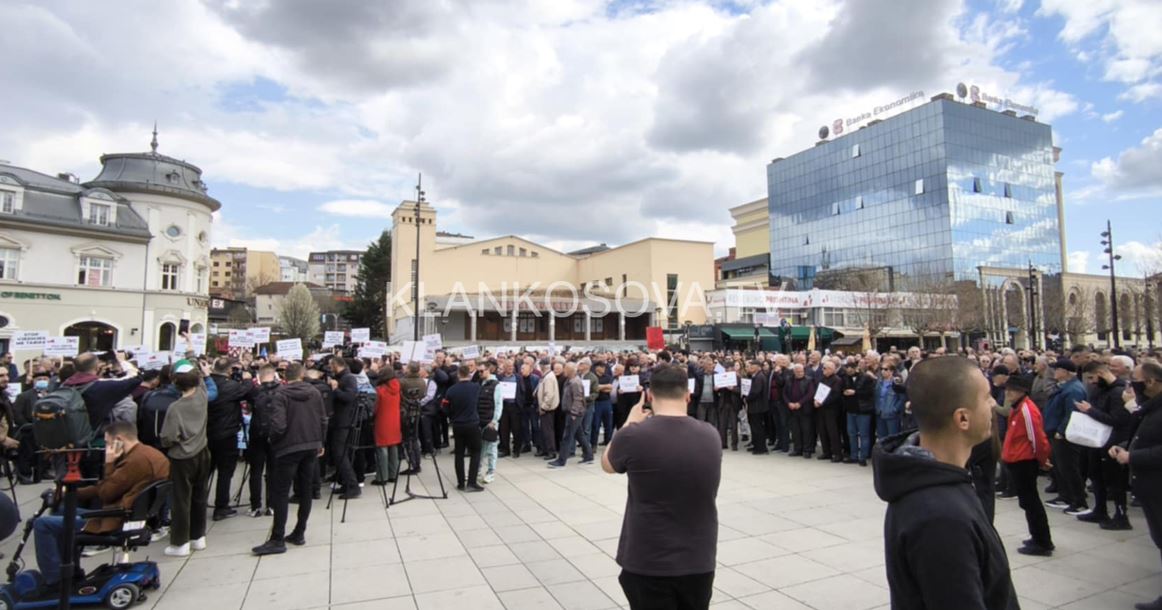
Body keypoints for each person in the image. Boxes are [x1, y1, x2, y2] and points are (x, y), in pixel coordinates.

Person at [872, 356, 1017, 610]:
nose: (994, 403)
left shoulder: (938, 480)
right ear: (962, 418)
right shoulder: (940, 517)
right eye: (986, 397)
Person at [603, 364, 721, 610]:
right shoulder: (711, 434)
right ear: (688, 395)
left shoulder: (633, 435)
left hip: (648, 557)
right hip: (698, 558)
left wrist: (629, 423)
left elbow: (608, 464)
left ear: (650, 395)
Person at [33, 421, 169, 591]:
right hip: (126, 515)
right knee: (62, 510)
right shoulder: (150, 454)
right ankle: (72, 570)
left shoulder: (135, 461)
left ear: (118, 440)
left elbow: (106, 493)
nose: (106, 447)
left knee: (42, 524)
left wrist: (109, 462)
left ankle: (54, 580)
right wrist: (70, 493)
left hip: (115, 520)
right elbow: (105, 487)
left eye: (107, 442)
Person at [252, 363, 328, 556]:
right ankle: (299, 531)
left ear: (285, 376)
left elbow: (278, 424)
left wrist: (273, 440)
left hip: (289, 446)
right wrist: (320, 441)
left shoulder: (282, 395)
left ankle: (278, 537)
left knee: (281, 491)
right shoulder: (314, 392)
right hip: (310, 444)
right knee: (305, 490)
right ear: (302, 375)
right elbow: (322, 418)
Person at [1109, 360, 1162, 610]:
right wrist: (1124, 446)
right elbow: (1143, 436)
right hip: (1149, 487)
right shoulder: (1150, 408)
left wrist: (1133, 457)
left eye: (1136, 380)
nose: (1132, 385)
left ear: (1150, 382)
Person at [158, 359, 216, 557]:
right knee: (200, 495)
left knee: (181, 499)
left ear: (175, 383)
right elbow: (200, 379)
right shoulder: (202, 395)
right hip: (202, 451)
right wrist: (194, 355)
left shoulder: (176, 407)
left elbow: (168, 437)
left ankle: (180, 541)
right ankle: (198, 536)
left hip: (182, 457)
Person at [1000, 374, 1054, 556]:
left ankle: (1042, 541)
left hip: (1024, 460)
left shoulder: (1026, 410)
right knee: (1028, 502)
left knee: (1031, 503)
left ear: (1022, 391)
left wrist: (1042, 459)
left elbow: (1037, 438)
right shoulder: (1019, 407)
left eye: (1012, 390)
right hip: (1018, 459)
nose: (1008, 393)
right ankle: (1037, 537)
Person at [1076, 360, 1132, 529]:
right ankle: (1100, 509)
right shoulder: (1098, 389)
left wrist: (1090, 411)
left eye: (1092, 377)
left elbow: (1117, 420)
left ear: (1101, 374)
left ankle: (1121, 515)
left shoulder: (1118, 392)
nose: (1091, 382)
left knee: (1114, 481)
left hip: (1112, 442)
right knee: (1096, 475)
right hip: (1096, 441)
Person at [207, 357, 259, 522]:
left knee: (205, 473)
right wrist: (248, 378)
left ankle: (198, 504)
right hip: (226, 434)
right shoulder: (230, 386)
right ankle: (221, 506)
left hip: (207, 433)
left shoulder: (206, 384)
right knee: (225, 472)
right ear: (229, 371)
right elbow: (246, 390)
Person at [1043, 358, 1088, 514]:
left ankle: (1078, 500)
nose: (1055, 372)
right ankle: (1066, 496)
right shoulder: (1064, 387)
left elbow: (1072, 413)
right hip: (1056, 432)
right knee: (1061, 467)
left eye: (1058, 369)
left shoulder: (1073, 389)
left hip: (1064, 435)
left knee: (1069, 468)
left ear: (1065, 372)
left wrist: (1061, 430)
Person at [442, 365, 483, 491]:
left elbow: (444, 408)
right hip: (473, 423)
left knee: (459, 453)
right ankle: (472, 482)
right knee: (475, 452)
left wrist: (452, 416)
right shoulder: (476, 388)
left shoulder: (451, 390)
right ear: (469, 374)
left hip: (458, 425)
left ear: (458, 375)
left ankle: (460, 483)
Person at [246, 366, 281, 516]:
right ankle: (272, 504)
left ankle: (256, 506)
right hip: (275, 433)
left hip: (257, 432)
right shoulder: (282, 390)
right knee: (273, 470)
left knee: (256, 470)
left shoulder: (254, 391)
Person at [327, 357, 361, 500]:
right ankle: (345, 483)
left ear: (336, 365)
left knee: (340, 454)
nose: (329, 368)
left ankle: (353, 485)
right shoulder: (341, 377)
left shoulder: (348, 378)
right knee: (339, 454)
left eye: (331, 365)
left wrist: (335, 390)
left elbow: (349, 397)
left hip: (344, 421)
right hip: (338, 420)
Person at [548, 362, 593, 468]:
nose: (564, 371)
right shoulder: (569, 381)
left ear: (570, 371)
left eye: (565, 369)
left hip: (574, 413)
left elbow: (578, 399)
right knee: (579, 435)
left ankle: (561, 460)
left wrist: (574, 412)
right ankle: (588, 455)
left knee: (567, 436)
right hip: (571, 412)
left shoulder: (575, 383)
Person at [372, 366, 402, 485]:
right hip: (395, 420)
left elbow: (375, 408)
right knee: (393, 447)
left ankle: (382, 477)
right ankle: (393, 474)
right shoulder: (397, 386)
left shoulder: (380, 390)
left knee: (382, 448)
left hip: (382, 420)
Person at [783, 364, 816, 457]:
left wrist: (799, 403)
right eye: (797, 371)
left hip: (804, 408)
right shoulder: (789, 380)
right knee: (795, 430)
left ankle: (807, 450)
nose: (800, 373)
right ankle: (797, 449)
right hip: (792, 408)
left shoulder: (809, 380)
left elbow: (810, 394)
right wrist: (788, 403)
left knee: (806, 430)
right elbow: (784, 393)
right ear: (794, 372)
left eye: (801, 371)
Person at [814, 360, 843, 461]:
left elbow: (835, 396)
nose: (823, 370)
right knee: (822, 430)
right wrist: (816, 400)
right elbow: (818, 391)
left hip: (832, 409)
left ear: (831, 369)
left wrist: (822, 402)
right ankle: (826, 452)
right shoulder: (822, 379)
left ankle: (837, 453)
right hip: (821, 409)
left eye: (825, 368)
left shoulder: (837, 380)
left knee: (833, 432)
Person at [536, 360, 560, 461]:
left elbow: (549, 395)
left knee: (548, 431)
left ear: (543, 366)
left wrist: (543, 407)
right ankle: (546, 449)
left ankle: (551, 451)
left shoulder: (549, 377)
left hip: (547, 409)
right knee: (544, 430)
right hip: (545, 408)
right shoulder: (546, 376)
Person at [744, 360, 769, 454]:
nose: (750, 368)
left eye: (752, 367)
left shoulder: (759, 377)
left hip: (757, 406)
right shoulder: (754, 376)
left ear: (758, 367)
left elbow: (756, 392)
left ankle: (761, 448)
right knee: (754, 427)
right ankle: (756, 445)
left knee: (758, 427)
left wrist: (747, 398)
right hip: (754, 406)